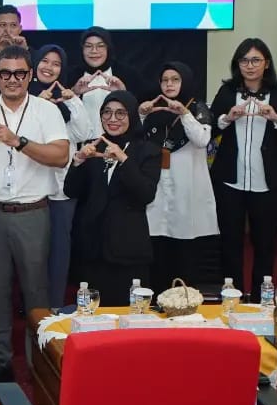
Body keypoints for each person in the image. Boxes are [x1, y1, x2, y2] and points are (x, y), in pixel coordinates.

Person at [0, 45, 69, 382]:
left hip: (33, 211)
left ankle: (41, 362)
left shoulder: (46, 110)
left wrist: (18, 141)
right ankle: (0, 360)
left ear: (30, 75)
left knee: (36, 292)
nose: (12, 79)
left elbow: (60, 156)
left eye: (19, 73)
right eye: (5, 73)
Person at [210, 38, 277, 300]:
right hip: (229, 183)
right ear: (237, 64)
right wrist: (226, 119)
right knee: (230, 243)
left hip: (267, 185)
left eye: (255, 60)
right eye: (244, 60)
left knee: (265, 245)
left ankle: (259, 300)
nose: (250, 65)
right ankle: (231, 298)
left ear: (266, 63)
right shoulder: (226, 92)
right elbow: (206, 129)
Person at [65, 91, 162, 306]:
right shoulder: (93, 146)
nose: (112, 119)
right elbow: (71, 191)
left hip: (128, 249)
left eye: (120, 113)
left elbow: (146, 194)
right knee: (93, 314)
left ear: (132, 116)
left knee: (130, 315)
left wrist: (123, 159)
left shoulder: (147, 150)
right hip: (92, 249)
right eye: (107, 113)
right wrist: (78, 161)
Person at [140, 62, 217, 290]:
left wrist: (184, 113)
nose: (169, 84)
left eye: (175, 79)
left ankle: (183, 300)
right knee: (158, 247)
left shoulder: (197, 108)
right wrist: (141, 115)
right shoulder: (154, 108)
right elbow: (137, 140)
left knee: (185, 249)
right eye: (165, 80)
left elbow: (202, 140)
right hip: (158, 190)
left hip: (187, 190)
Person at [31, 45, 90, 309]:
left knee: (59, 249)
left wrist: (72, 99)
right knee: (32, 252)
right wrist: (40, 102)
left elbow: (82, 133)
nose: (49, 67)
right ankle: (33, 305)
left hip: (62, 189)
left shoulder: (67, 99)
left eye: (56, 64)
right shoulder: (24, 98)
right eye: (44, 61)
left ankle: (54, 303)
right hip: (31, 187)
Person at [72, 27, 128, 139]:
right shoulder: (71, 76)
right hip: (81, 144)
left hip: (119, 143)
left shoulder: (126, 73)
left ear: (108, 48)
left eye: (100, 46)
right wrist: (74, 93)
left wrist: (123, 94)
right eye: (88, 46)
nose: (94, 51)